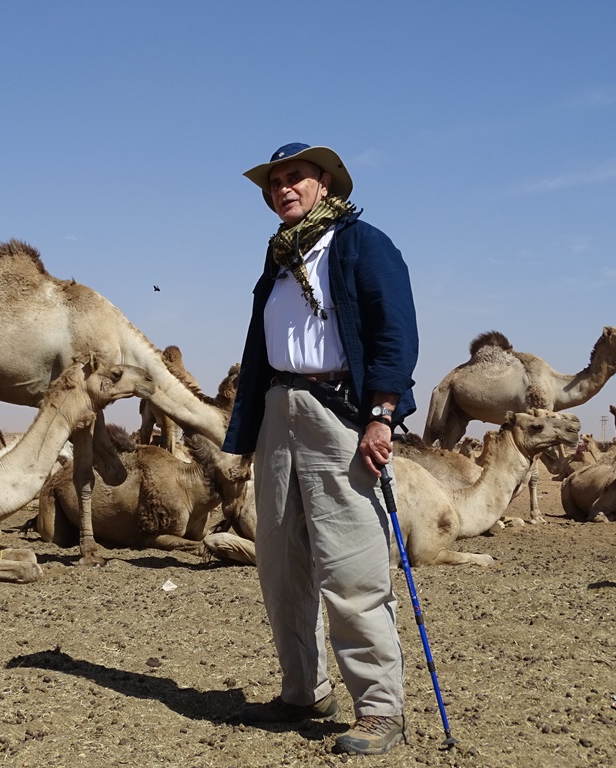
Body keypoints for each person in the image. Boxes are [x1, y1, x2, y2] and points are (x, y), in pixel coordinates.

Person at [223, 143, 419, 756]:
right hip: (278, 413)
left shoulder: (362, 244)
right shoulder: (279, 257)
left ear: (325, 182)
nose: (283, 189)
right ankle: (303, 691)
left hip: (339, 412)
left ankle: (380, 709)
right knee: (280, 563)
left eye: (296, 177)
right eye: (275, 182)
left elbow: (395, 332)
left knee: (352, 567)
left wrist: (382, 415)